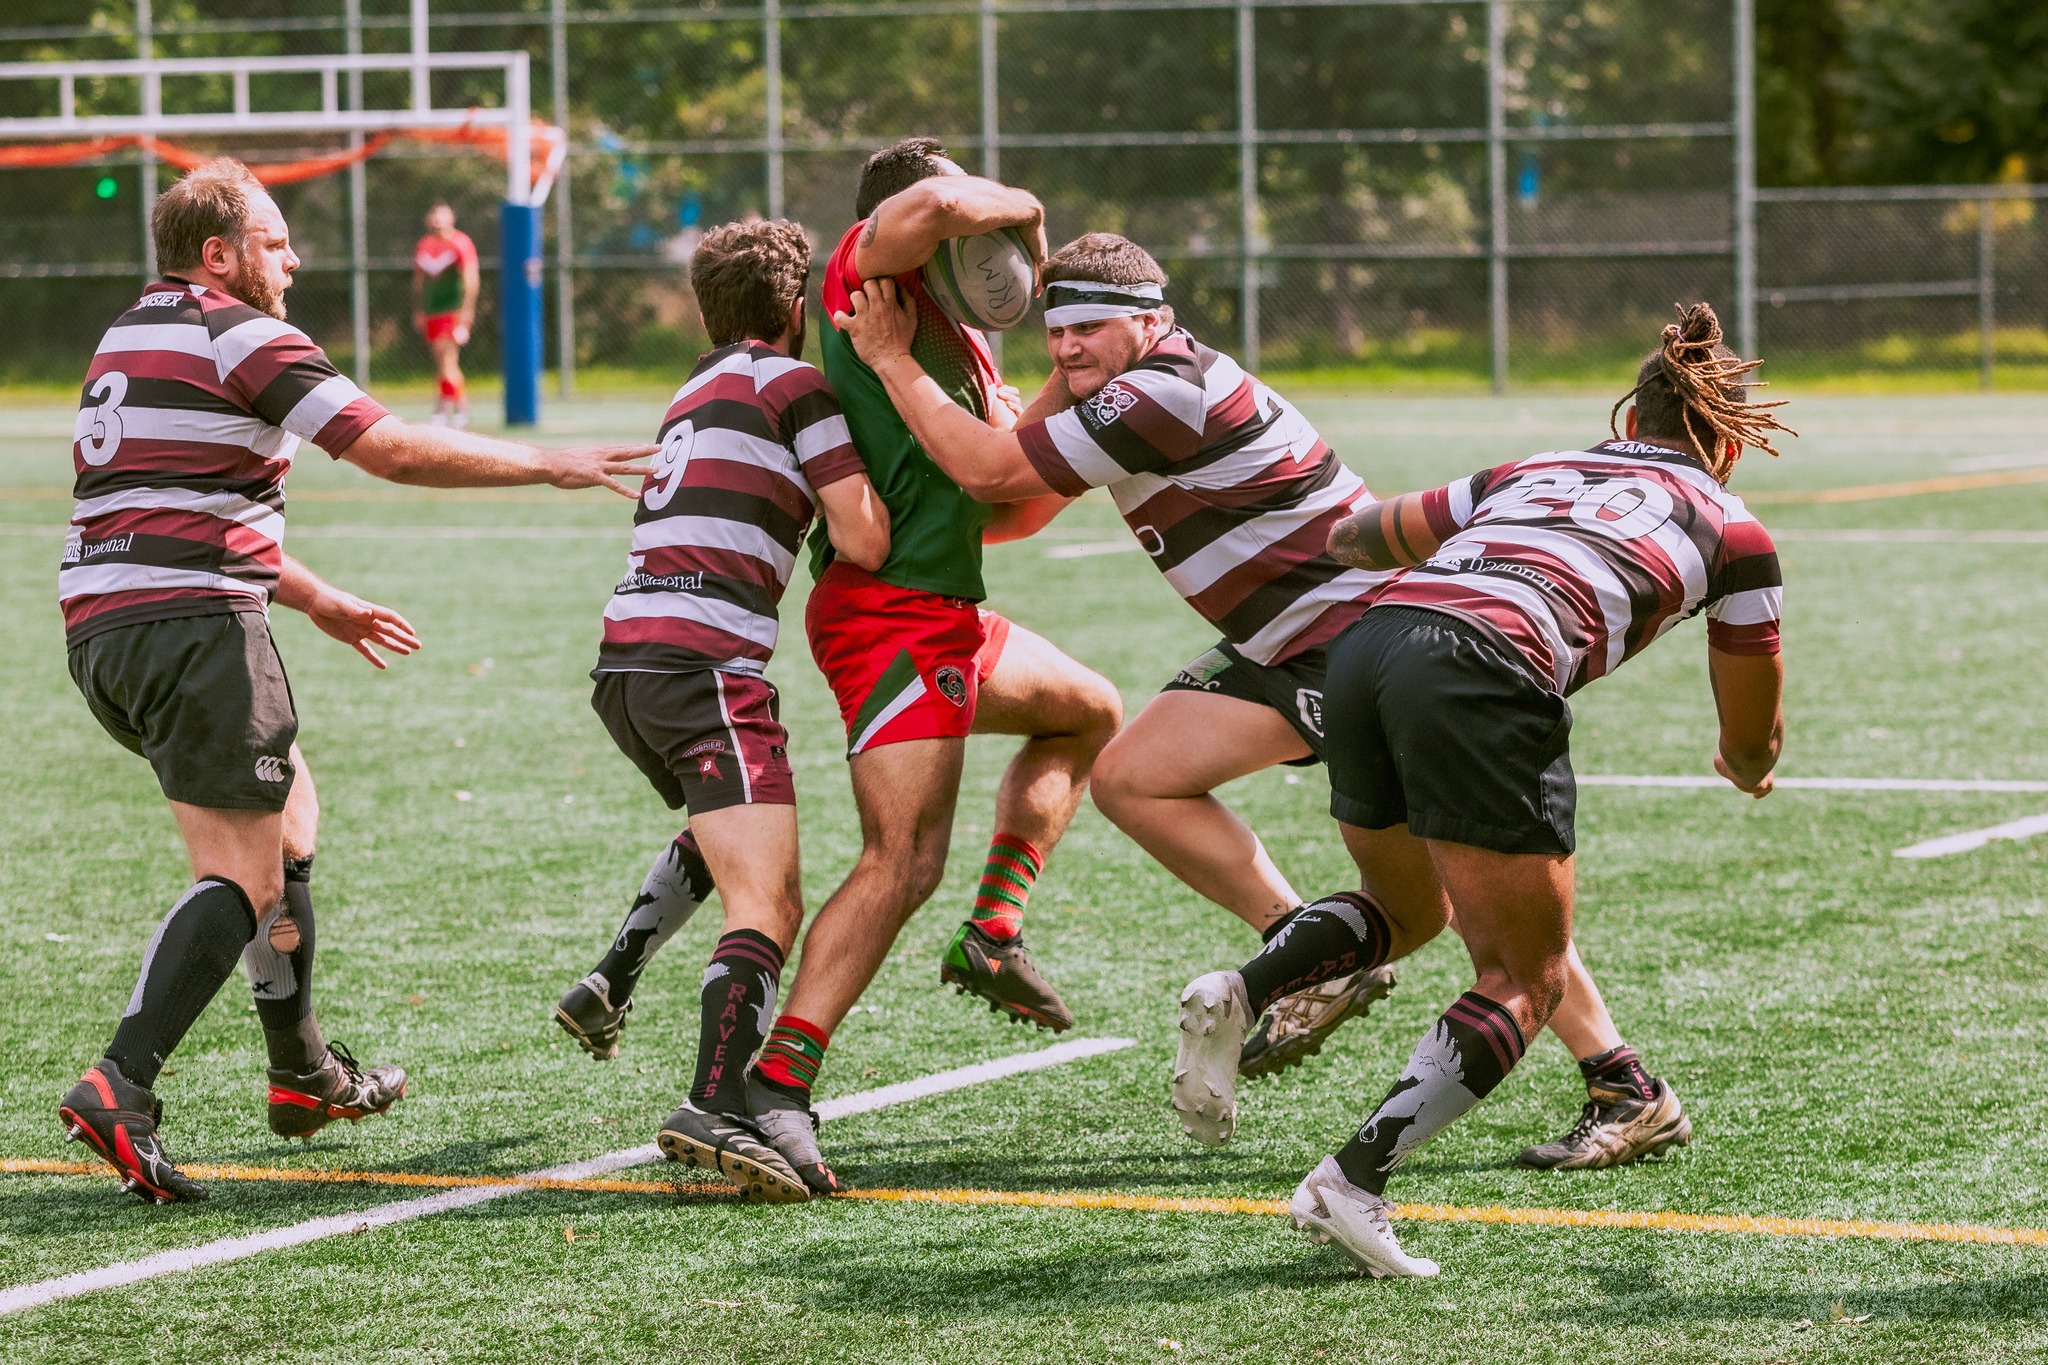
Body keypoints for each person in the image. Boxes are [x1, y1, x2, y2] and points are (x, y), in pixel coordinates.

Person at [834, 231, 1689, 1171]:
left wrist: (886, 361)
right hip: (1284, 640)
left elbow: (996, 479)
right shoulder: (1124, 386)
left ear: (1153, 321)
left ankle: (1619, 1080)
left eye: (1091, 327)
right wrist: (1009, 406)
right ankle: (1307, 948)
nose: (1069, 346)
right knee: (1132, 775)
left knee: (1469, 885)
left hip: (1354, 639)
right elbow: (1020, 508)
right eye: (1057, 330)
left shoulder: (1157, 391)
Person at [56, 158, 651, 1205]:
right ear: (219, 255)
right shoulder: (240, 330)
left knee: (289, 824)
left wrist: (317, 597)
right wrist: (544, 464)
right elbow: (388, 449)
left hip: (108, 633)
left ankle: (301, 1073)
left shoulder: (132, 332)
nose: (294, 260)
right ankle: (123, 1083)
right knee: (242, 879)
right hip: (193, 632)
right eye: (277, 243)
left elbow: (171, 504)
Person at [1168, 301, 1790, 1276]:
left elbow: (1364, 536)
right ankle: (1351, 1181)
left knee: (1403, 911)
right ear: (1727, 445)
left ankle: (1241, 990)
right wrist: (1747, 766)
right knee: (1525, 979)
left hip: (1364, 650)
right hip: (1483, 666)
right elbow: (1748, 732)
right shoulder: (1733, 530)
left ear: (1628, 420)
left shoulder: (1531, 469)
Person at [715, 139, 1125, 1190]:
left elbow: (1007, 505)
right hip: (886, 617)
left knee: (1085, 710)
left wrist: (1070, 404)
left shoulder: (957, 344)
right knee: (900, 857)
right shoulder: (869, 275)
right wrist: (1032, 213)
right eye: (967, 220)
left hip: (943, 614)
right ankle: (776, 1087)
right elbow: (938, 197)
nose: (979, 234)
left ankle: (990, 933)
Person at [551, 219, 889, 1202]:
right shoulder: (795, 385)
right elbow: (863, 537)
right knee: (769, 897)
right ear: (797, 312)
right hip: (703, 664)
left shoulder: (692, 391)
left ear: (706, 313)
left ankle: (614, 973)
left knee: (733, 831)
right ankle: (715, 1105)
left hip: (630, 664)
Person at [412, 203, 480, 428]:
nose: (439, 219)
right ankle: (442, 408)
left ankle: (460, 408)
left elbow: (471, 279)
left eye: (443, 215)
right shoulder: (425, 244)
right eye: (435, 215)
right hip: (432, 311)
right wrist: (420, 310)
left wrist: (466, 312)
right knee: (442, 362)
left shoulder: (460, 243)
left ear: (452, 217)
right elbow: (419, 281)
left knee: (447, 359)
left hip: (452, 311)